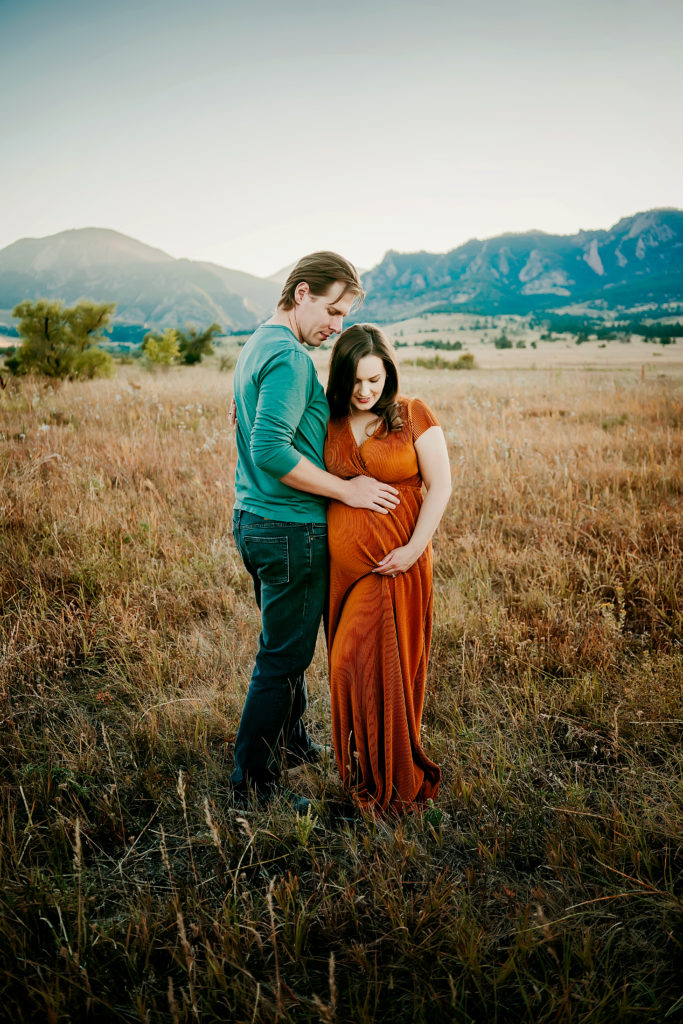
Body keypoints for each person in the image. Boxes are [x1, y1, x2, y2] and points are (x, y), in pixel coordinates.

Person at [230, 254, 400, 808]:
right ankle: (252, 784)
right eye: (332, 310)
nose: (337, 326)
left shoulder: (258, 344)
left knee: (288, 646)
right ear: (301, 293)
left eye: (345, 315)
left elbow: (256, 423)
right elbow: (270, 447)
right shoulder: (289, 359)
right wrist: (348, 491)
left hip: (255, 519)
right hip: (288, 528)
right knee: (282, 658)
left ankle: (294, 741)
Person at [324, 324, 452, 814]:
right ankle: (367, 768)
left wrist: (414, 549)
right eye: (355, 381)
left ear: (388, 375)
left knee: (381, 669)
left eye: (374, 380)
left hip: (398, 565)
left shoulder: (412, 414)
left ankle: (393, 781)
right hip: (346, 574)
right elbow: (282, 446)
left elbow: (440, 486)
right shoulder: (327, 418)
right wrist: (241, 412)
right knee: (347, 668)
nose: (365, 391)